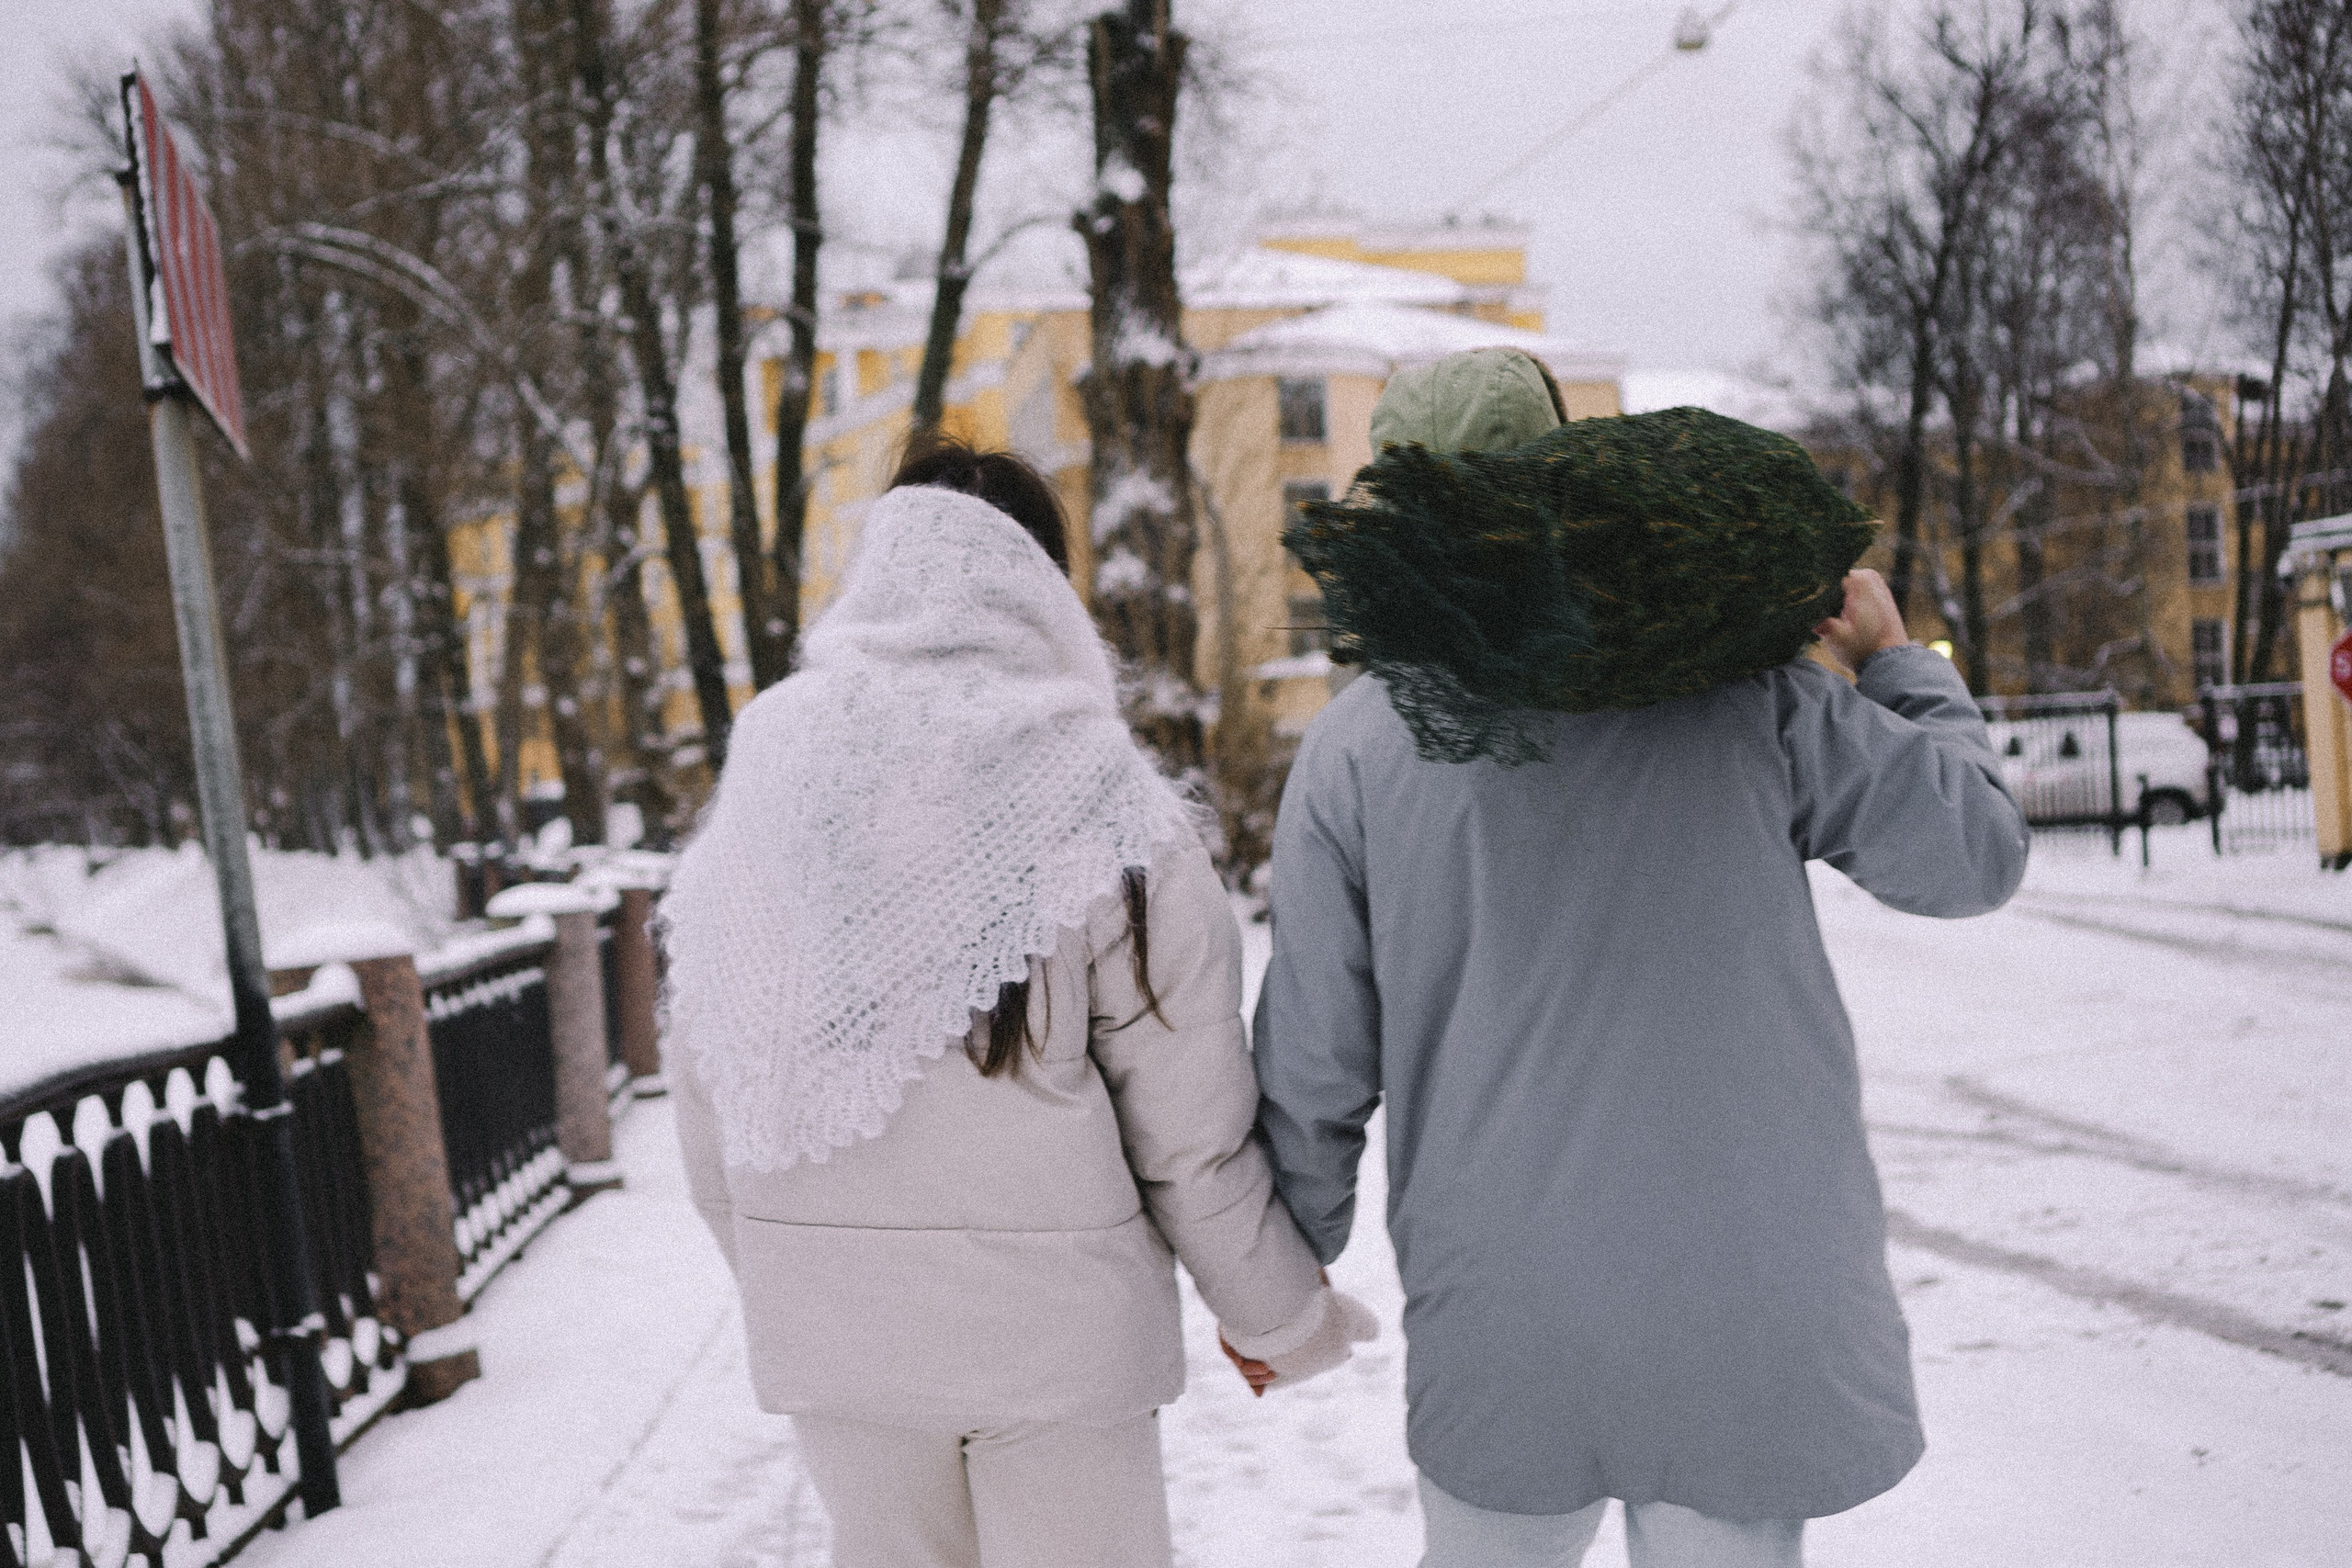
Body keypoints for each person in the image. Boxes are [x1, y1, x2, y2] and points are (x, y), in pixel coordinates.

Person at [1249, 350, 2030, 1567]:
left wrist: (1275, 1282)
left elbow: (1312, 1060)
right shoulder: (1752, 699)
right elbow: (1970, 853)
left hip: (1504, 1305)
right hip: (1745, 1296)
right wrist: (1898, 664)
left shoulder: (1356, 747)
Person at [660, 434, 1374, 1568]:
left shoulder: (772, 770)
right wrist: (1277, 1316)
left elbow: (711, 1080)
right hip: (1059, 1346)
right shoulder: (1102, 794)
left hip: (843, 1347)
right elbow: (1189, 1132)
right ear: (1043, 585)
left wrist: (800, 1276)